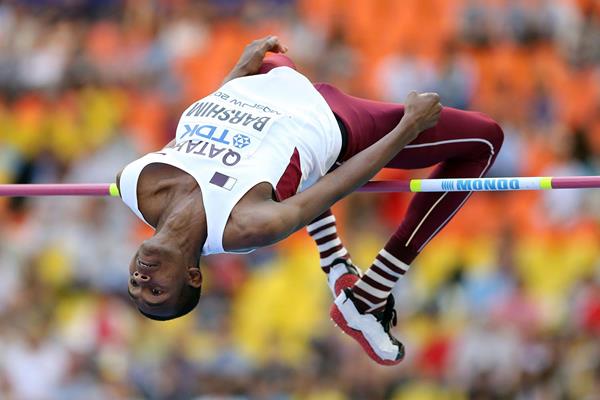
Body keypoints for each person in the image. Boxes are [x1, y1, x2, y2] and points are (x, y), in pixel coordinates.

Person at [117, 36, 503, 366]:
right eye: (155, 290)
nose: (140, 279)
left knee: (270, 54)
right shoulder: (247, 225)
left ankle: (336, 263)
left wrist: (235, 76)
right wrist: (408, 127)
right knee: (485, 138)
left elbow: (195, 136)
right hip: (332, 119)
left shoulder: (136, 184)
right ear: (192, 275)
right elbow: (337, 185)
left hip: (265, 87)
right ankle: (372, 290)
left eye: (134, 285)